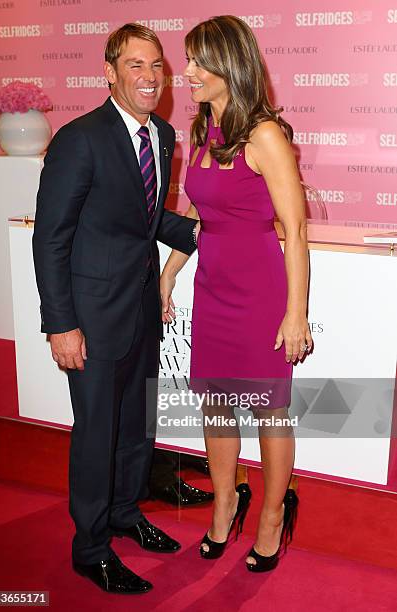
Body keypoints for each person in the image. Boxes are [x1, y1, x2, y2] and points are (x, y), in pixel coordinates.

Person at [33, 24, 200, 595]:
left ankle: (126, 515)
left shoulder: (165, 135)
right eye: (135, 65)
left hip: (140, 311)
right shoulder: (79, 138)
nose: (149, 77)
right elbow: (50, 238)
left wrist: (216, 228)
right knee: (97, 432)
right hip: (91, 318)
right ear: (109, 71)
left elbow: (145, 219)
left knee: (136, 427)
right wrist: (61, 324)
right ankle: (91, 546)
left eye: (156, 65)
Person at [160, 15, 313, 573]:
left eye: (199, 62)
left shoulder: (264, 135)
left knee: (270, 410)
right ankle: (226, 501)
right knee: (218, 406)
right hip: (213, 288)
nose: (189, 72)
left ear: (230, 65)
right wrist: (170, 272)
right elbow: (197, 214)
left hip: (260, 293)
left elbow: (294, 231)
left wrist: (296, 314)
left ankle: (272, 514)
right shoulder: (203, 131)